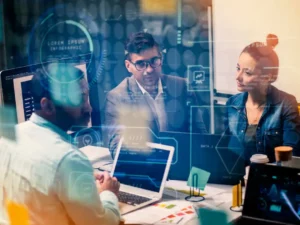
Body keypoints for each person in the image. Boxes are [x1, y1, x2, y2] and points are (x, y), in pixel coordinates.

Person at [0, 64, 121, 225]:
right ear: (48, 106)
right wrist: (108, 193)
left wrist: (76, 173)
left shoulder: (8, 138)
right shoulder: (69, 158)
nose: (89, 107)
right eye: (80, 99)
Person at [105, 32, 207, 152]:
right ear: (128, 66)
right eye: (141, 64)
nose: (149, 70)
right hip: (144, 166)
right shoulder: (118, 97)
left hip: (181, 163)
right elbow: (117, 147)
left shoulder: (182, 86)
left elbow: (200, 136)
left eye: (154, 61)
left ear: (161, 59)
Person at [226, 34, 300, 164]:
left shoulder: (286, 104)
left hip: (271, 181)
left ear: (267, 77)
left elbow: (291, 157)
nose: (238, 77)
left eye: (247, 72)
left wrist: (257, 175)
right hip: (238, 180)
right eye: (238, 68)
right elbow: (222, 151)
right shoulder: (232, 104)